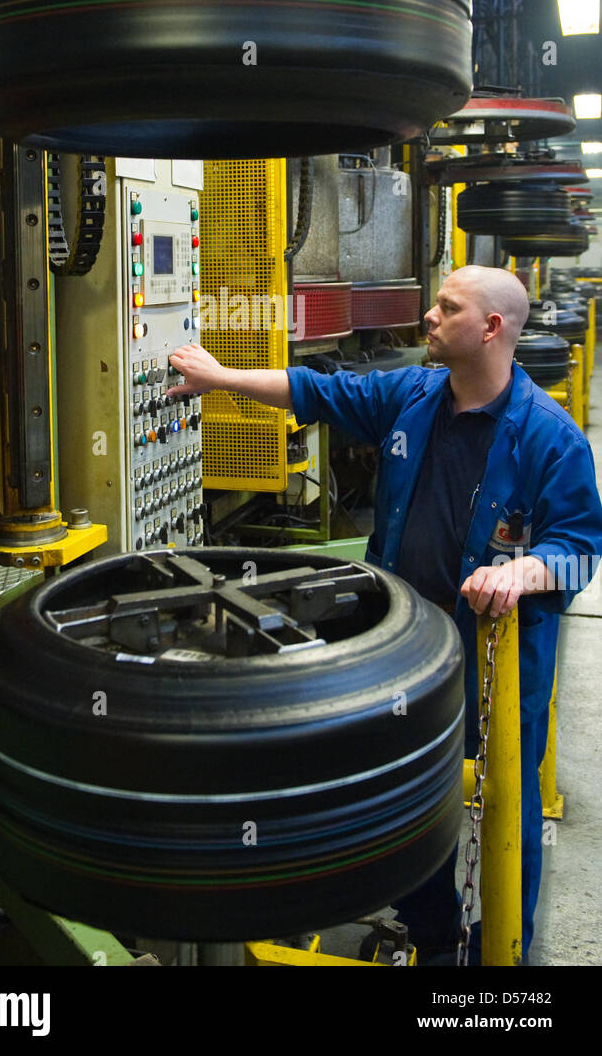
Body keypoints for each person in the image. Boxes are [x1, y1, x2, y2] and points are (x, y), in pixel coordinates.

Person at [167, 266, 602, 964]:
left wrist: (526, 569)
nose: (429, 316)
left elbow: (581, 549)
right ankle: (434, 932)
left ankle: (504, 955)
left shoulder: (549, 438)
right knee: (410, 800)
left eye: (446, 307)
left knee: (504, 814)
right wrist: (223, 377)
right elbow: (316, 390)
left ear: (491, 328)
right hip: (403, 654)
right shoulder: (413, 394)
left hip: (494, 668)